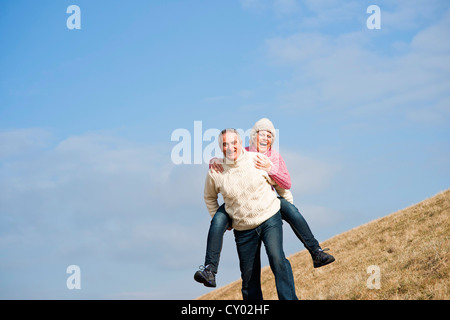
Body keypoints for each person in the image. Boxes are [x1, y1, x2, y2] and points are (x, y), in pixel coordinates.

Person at [194, 118, 334, 288]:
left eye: (269, 135)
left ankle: (316, 251)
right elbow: (230, 161)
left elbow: (285, 185)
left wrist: (271, 171)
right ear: (253, 137)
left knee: (292, 214)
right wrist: (215, 160)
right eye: (261, 134)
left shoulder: (272, 157)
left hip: (270, 201)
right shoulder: (244, 152)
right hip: (238, 206)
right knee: (217, 220)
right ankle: (210, 269)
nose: (264, 138)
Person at [201, 128, 297, 300]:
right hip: (243, 228)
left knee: (277, 259)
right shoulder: (216, 170)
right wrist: (223, 220)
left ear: (240, 143)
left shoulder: (257, 159)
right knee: (249, 276)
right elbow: (209, 197)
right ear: (221, 148)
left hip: (269, 218)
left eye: (234, 142)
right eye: (225, 144)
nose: (230, 147)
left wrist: (288, 206)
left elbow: (279, 183)